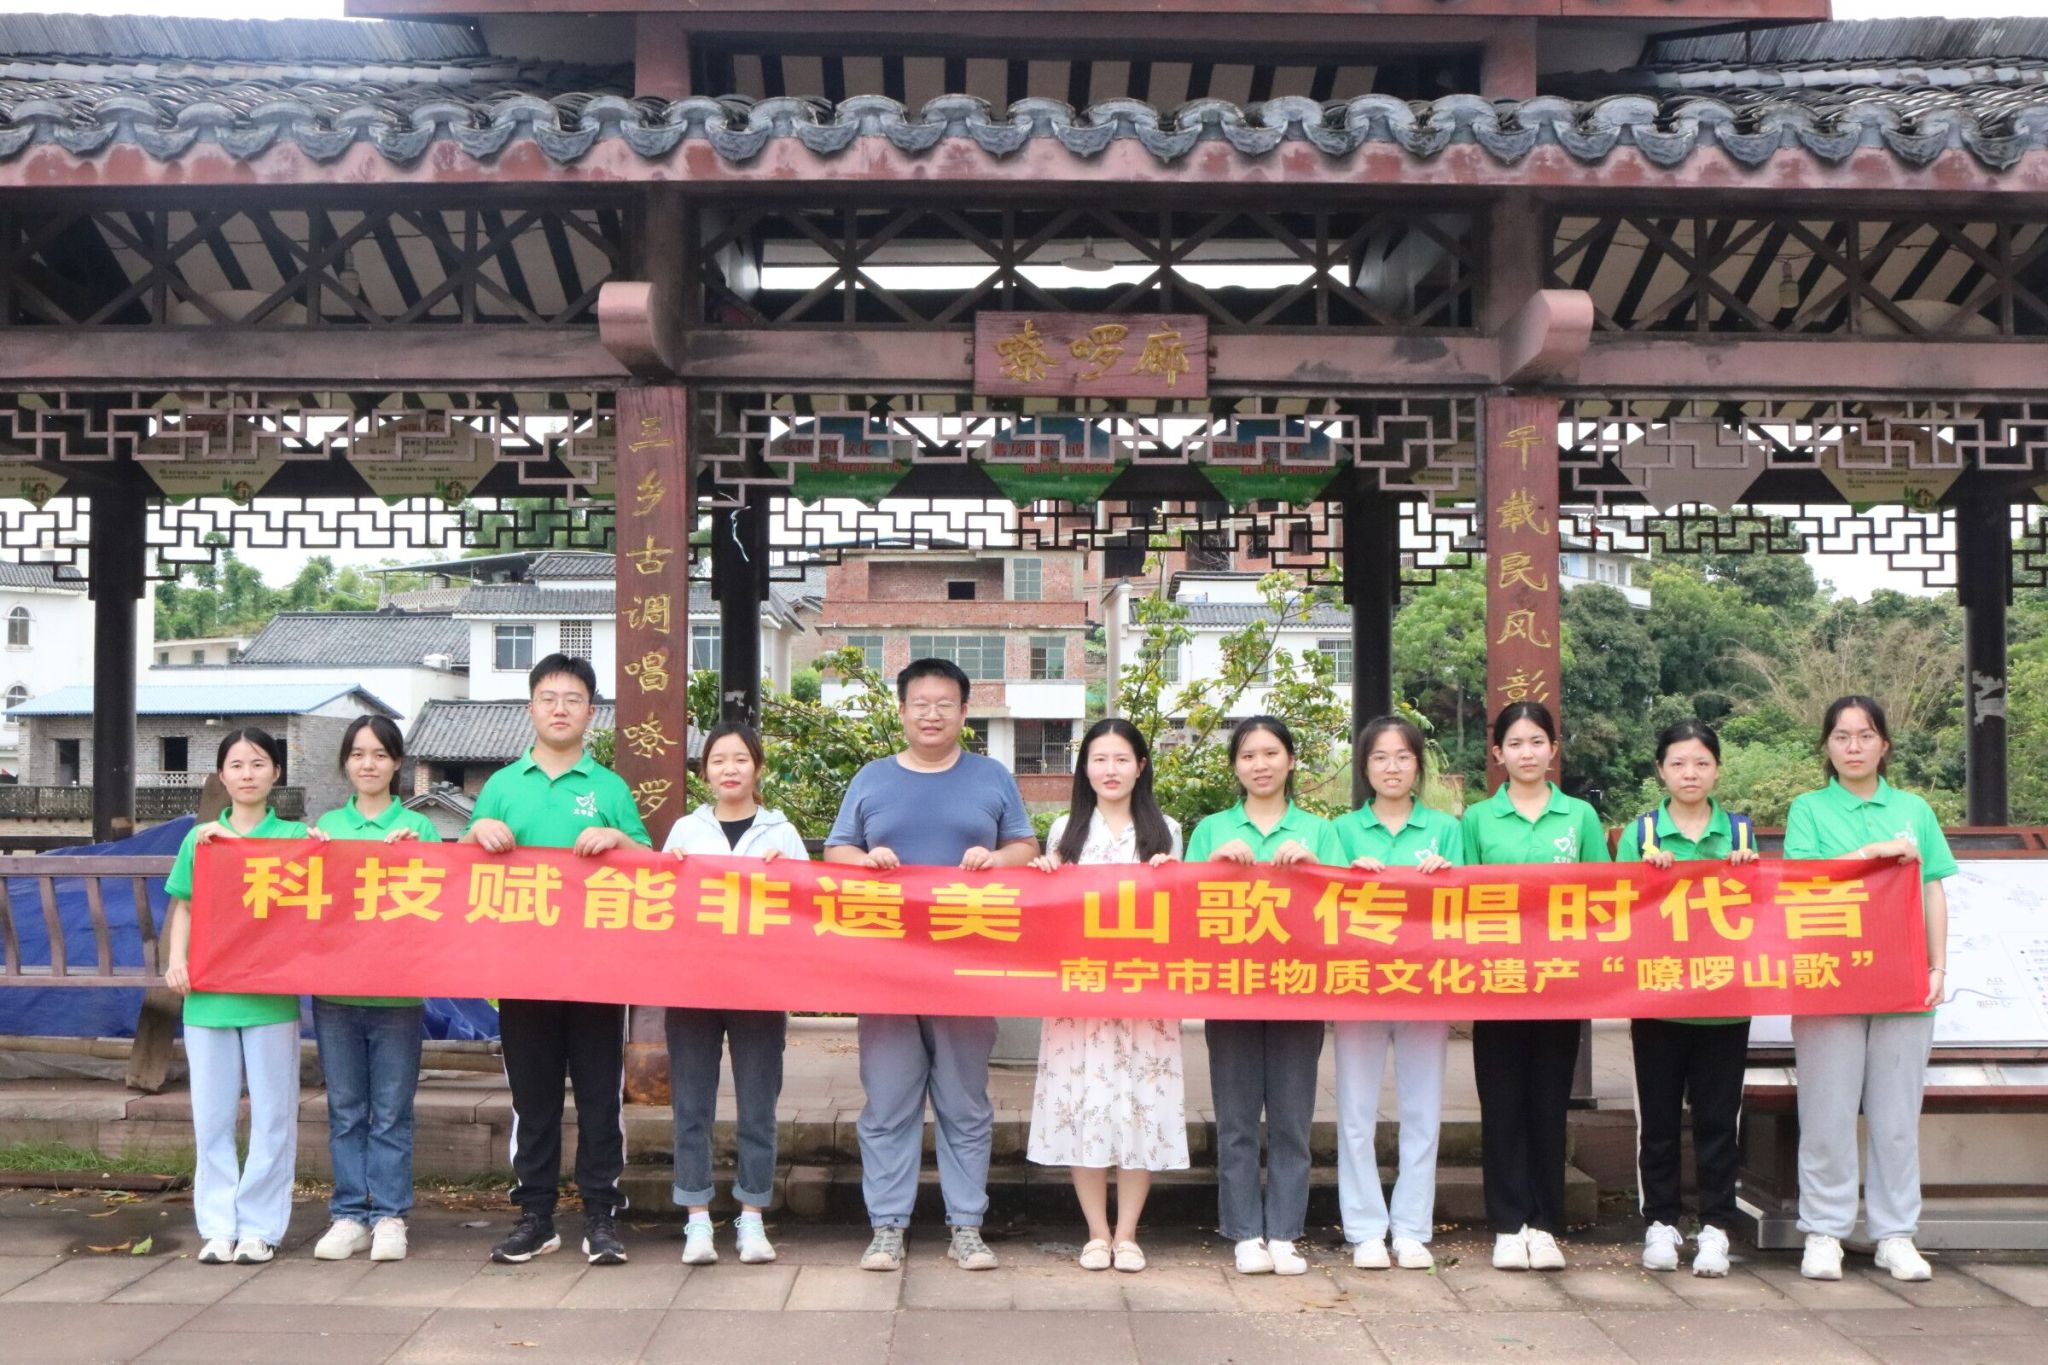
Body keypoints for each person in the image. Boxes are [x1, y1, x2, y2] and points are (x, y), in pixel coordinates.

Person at [825, 657, 1038, 1274]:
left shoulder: (991, 777)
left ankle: (966, 1225)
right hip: (887, 968)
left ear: (965, 712)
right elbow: (837, 849)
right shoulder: (871, 778)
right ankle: (886, 1226)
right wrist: (864, 861)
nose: (932, 714)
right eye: (920, 703)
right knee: (888, 1102)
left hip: (966, 966)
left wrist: (996, 861)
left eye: (945, 703)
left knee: (964, 1102)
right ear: (902, 711)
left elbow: (1026, 846)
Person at [464, 653, 651, 1267]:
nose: (560, 709)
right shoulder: (501, 786)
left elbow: (649, 866)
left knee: (600, 1096)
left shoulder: (609, 787)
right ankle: (536, 1216)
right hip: (522, 971)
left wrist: (618, 839)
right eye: (549, 698)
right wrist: (476, 833)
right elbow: (460, 868)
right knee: (533, 1098)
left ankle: (601, 1214)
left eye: (573, 699)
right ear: (531, 708)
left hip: (598, 973)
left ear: (591, 712)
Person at [1783, 694, 1952, 1284]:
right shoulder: (1808, 809)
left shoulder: (1913, 809)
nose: (1853, 747)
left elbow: (1932, 888)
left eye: (1865, 735)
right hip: (1829, 979)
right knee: (1825, 1113)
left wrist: (1937, 967)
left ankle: (1895, 1233)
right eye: (1841, 737)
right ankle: (1824, 1231)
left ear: (1885, 744)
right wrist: (1871, 854)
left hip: (1903, 981)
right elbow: (1804, 884)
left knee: (1897, 1116)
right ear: (1827, 747)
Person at [1184, 715, 1343, 1277]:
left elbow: (1348, 908)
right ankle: (1245, 1231)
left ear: (1291, 760)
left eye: (1271, 753)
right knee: (1235, 1120)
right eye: (1248, 755)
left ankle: (1285, 1232)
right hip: (1230, 991)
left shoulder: (1321, 831)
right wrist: (1212, 868)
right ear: (1235, 766)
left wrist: (1315, 869)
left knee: (1293, 1121)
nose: (1260, 764)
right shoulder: (1211, 830)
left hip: (1300, 992)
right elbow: (1180, 908)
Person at [1027, 718, 1186, 1274]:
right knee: (1084, 1106)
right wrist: (1045, 873)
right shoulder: (1064, 831)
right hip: (1081, 996)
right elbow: (1052, 916)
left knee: (1140, 1107)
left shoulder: (1165, 830)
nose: (1110, 770)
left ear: (1141, 766)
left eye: (1121, 759)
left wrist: (1172, 875)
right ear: (1085, 768)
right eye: (1099, 759)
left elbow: (1178, 914)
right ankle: (1096, 1233)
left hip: (1144, 997)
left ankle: (1128, 1234)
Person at [1460, 701, 1609, 1273]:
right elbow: (1458, 902)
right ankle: (1506, 1223)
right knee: (1500, 1107)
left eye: (1537, 742)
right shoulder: (1477, 819)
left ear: (1553, 749)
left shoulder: (1580, 818)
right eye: (1515, 743)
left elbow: (1602, 897)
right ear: (1498, 753)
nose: (1527, 753)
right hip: (1495, 984)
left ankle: (1545, 1224)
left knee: (1549, 1106)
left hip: (1559, 985)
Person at [161, 728, 317, 1267]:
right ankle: (218, 1226)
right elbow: (183, 905)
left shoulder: (295, 837)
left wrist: (323, 846)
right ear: (221, 776)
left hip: (270, 998)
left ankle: (260, 1227)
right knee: (212, 1118)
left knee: (273, 1116)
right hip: (207, 996)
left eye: (258, 763)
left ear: (276, 772)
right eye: (236, 764)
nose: (247, 774)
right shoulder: (201, 840)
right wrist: (177, 960)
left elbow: (331, 891)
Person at [660, 721, 808, 1267]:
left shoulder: (781, 833)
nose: (730, 769)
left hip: (758, 987)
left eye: (741, 759)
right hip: (692, 985)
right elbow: (661, 903)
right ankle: (697, 1219)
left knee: (758, 1106)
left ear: (758, 768)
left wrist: (788, 877)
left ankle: (752, 1218)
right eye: (718, 760)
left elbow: (807, 907)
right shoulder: (685, 830)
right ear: (704, 772)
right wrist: (670, 872)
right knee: (691, 1105)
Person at [1616, 719, 1760, 1279]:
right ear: (1661, 770)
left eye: (1701, 762)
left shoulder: (1741, 833)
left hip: (1725, 1001)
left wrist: (1750, 876)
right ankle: (1660, 1222)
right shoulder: (1642, 832)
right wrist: (1642, 877)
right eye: (1678, 763)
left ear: (1717, 770)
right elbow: (1615, 909)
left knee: (1719, 1122)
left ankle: (1717, 1226)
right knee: (1657, 1120)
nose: (1690, 773)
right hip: (1658, 998)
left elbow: (1763, 912)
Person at [1329, 715, 1463, 1272]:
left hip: (1425, 988)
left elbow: (1473, 906)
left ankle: (1411, 1228)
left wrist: (1448, 874)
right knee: (1355, 1113)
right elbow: (1321, 907)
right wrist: (1346, 876)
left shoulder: (1446, 829)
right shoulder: (1341, 831)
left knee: (1422, 1112)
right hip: (1359, 987)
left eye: (1403, 757)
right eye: (1380, 757)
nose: (1392, 767)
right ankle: (1364, 1228)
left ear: (1418, 764)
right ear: (1365, 767)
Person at [310, 716, 441, 1264]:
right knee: (345, 1108)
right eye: (359, 754)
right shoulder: (324, 827)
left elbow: (440, 904)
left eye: (380, 755)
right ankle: (348, 1214)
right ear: (345, 762)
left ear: (397, 764)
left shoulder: (419, 828)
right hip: (335, 992)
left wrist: (416, 855)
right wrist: (308, 855)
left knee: (391, 1111)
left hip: (398, 995)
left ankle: (389, 1214)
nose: (368, 764)